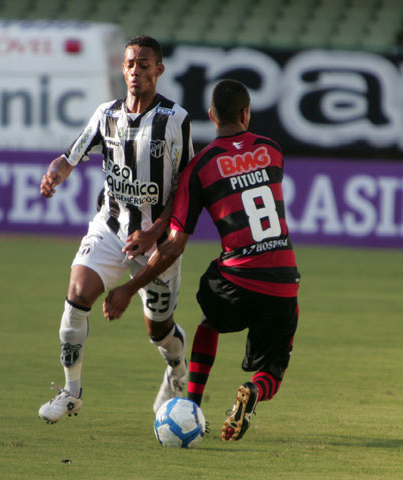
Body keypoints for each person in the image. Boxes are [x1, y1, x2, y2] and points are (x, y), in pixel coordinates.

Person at [103, 79, 300, 441]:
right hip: (283, 281)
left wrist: (130, 288)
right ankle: (254, 391)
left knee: (211, 320)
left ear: (211, 116)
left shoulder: (201, 166)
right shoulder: (273, 151)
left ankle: (191, 403)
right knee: (272, 367)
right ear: (246, 113)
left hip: (235, 282)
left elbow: (175, 245)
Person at [37, 35, 194, 423]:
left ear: (159, 69)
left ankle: (177, 370)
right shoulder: (106, 114)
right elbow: (70, 156)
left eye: (144, 64)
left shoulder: (176, 121)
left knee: (158, 332)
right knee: (76, 296)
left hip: (155, 241)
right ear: (122, 68)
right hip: (110, 227)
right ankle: (71, 392)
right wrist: (55, 175)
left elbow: (186, 189)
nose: (135, 71)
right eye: (129, 64)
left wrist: (156, 231)